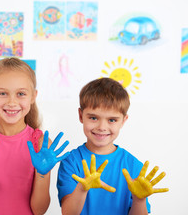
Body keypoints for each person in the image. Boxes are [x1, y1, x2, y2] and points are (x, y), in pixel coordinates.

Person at [0, 57, 69, 215]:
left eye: (21, 94)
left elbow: (39, 210)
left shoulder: (41, 144)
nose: (11, 102)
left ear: (33, 96)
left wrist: (42, 174)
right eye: (3, 93)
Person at [57, 77, 168, 215]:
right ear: (81, 115)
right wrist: (82, 188)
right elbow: (68, 213)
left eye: (111, 120)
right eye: (93, 118)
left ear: (123, 121)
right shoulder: (71, 162)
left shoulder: (133, 165)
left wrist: (139, 200)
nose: (102, 127)